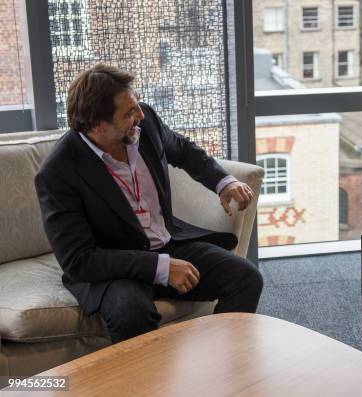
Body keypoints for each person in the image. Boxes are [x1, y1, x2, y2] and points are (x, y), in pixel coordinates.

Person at [35, 63, 263, 344]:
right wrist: (161, 268)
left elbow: (182, 149)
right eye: (129, 112)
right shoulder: (58, 173)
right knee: (132, 313)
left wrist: (223, 182)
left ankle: (220, 365)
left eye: (137, 104)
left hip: (170, 243)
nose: (140, 114)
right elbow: (79, 260)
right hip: (115, 268)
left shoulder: (146, 123)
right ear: (97, 125)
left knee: (246, 278)